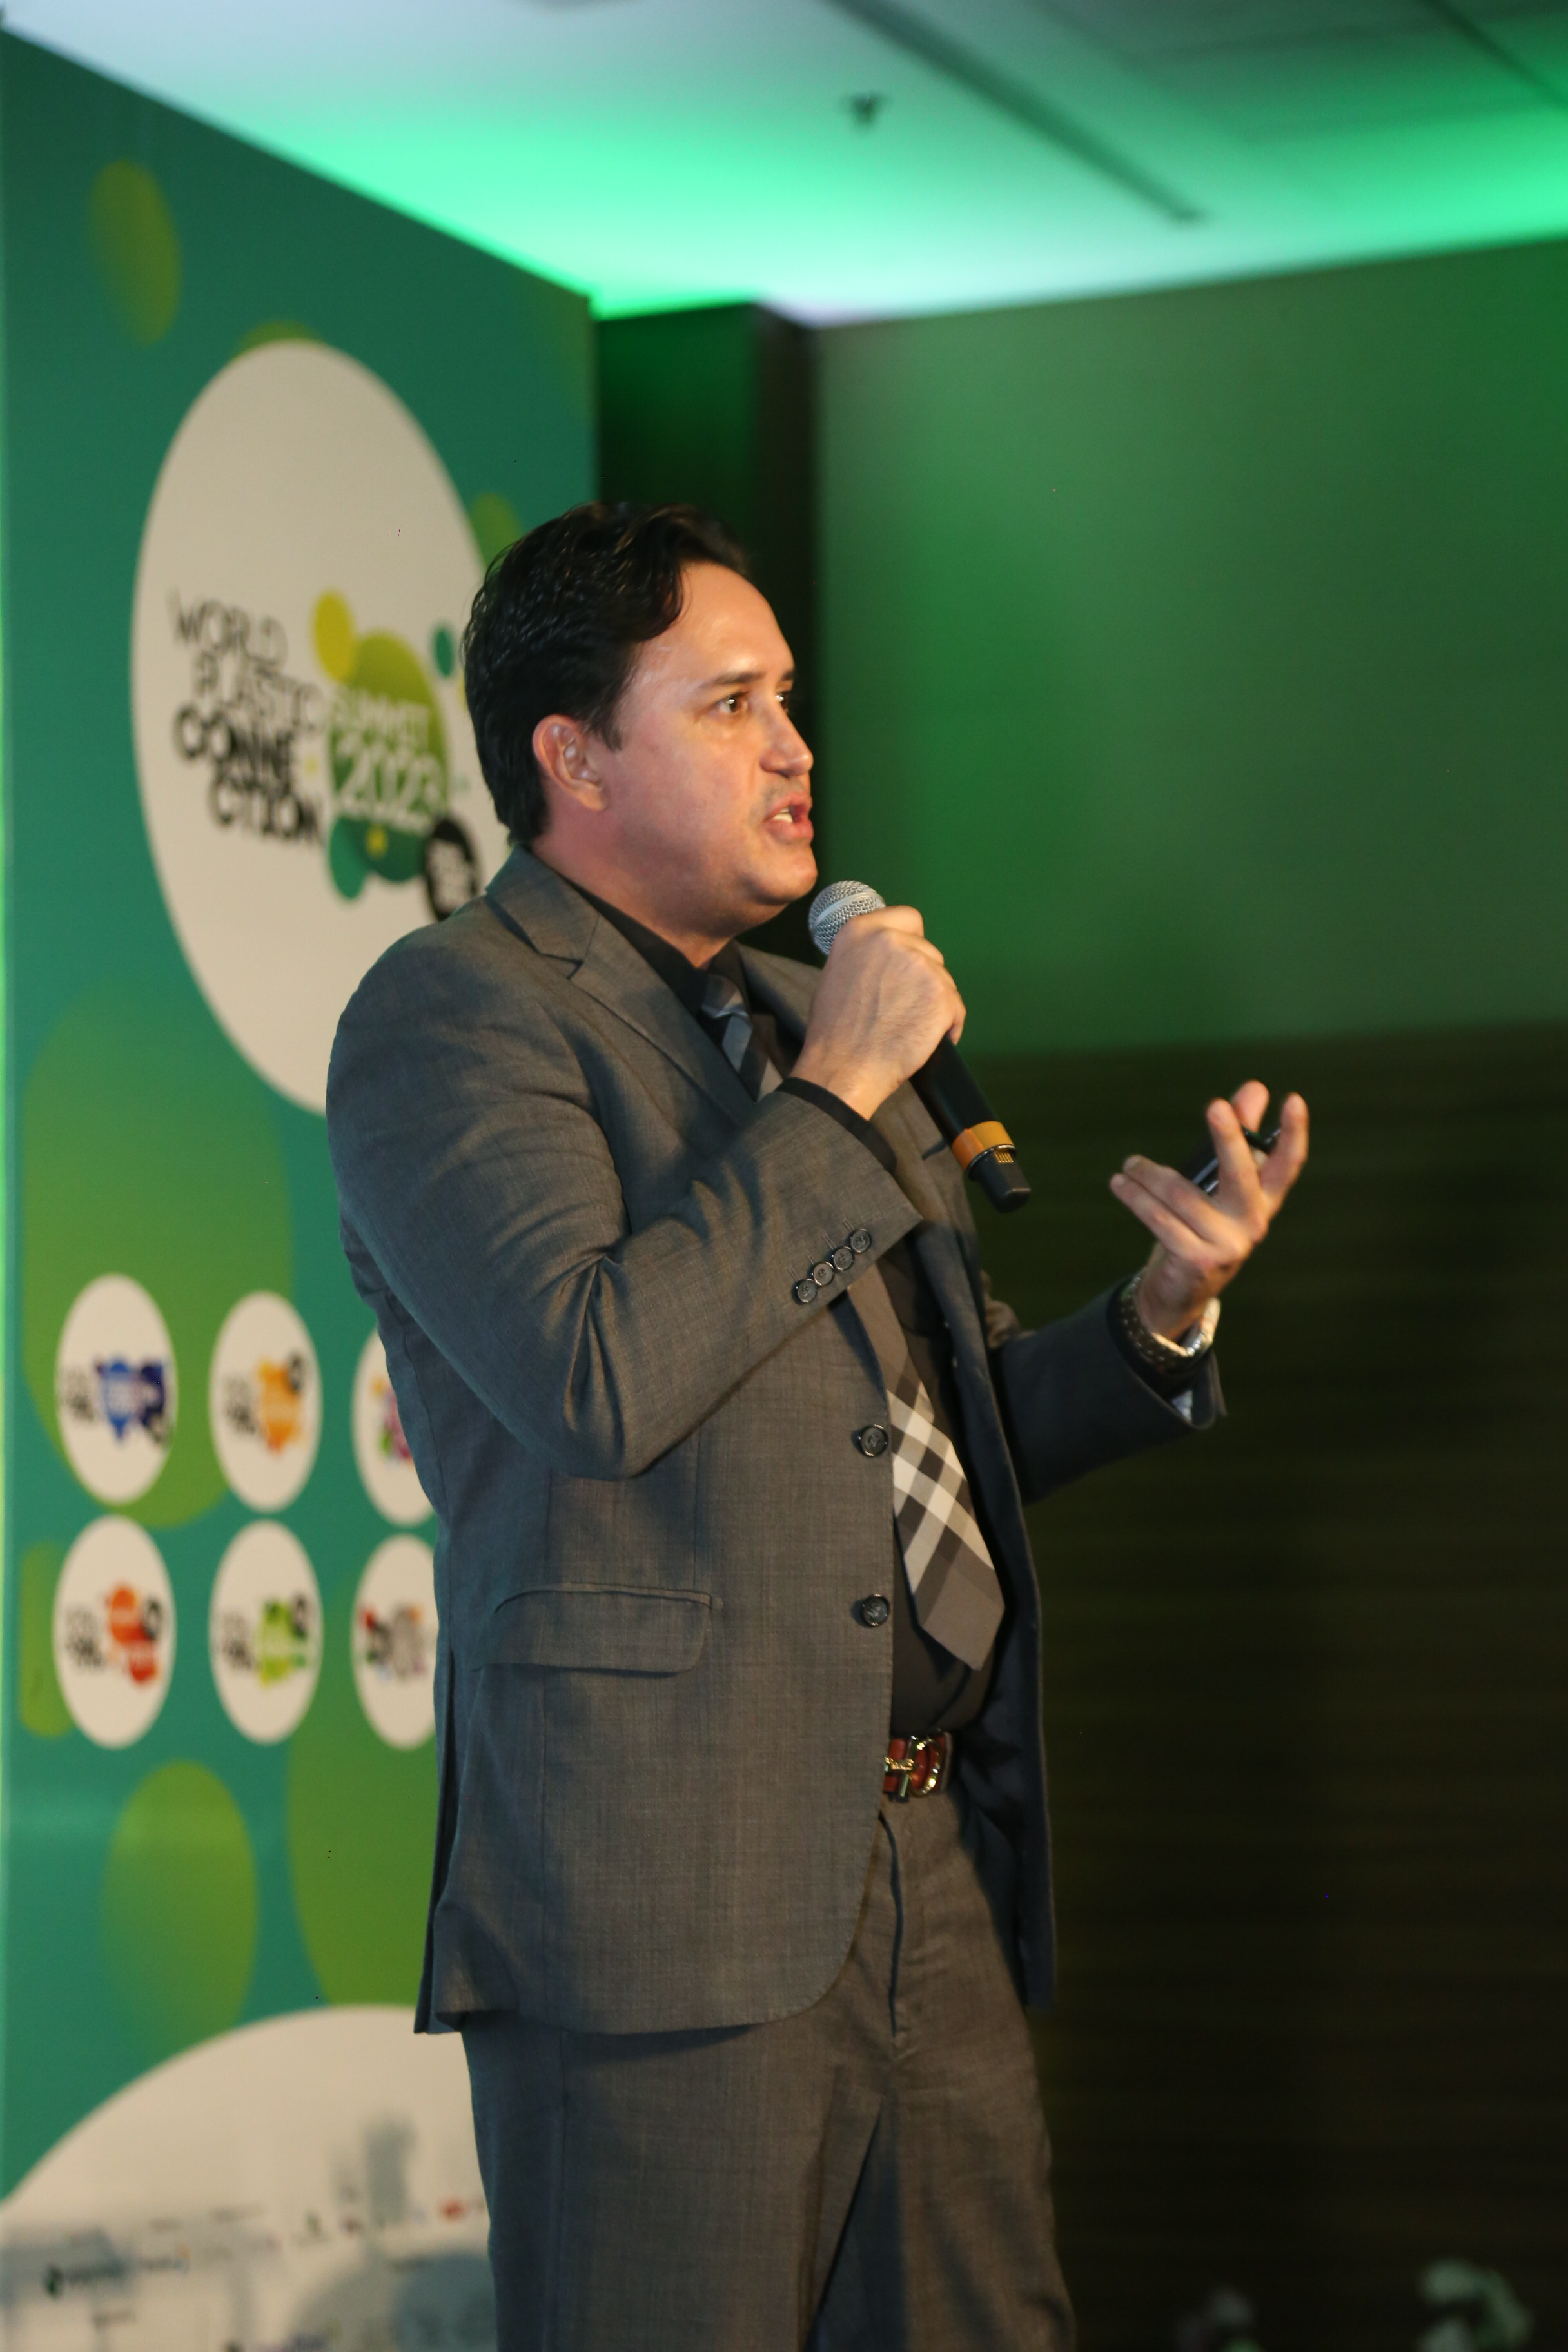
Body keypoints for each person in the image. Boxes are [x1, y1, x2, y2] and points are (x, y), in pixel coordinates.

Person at [326, 502, 1309, 2351]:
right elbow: (594, 1375)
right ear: (572, 758)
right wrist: (846, 1092)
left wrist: (1162, 1315)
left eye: (791, 698)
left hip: (930, 1858)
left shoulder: (800, 1022)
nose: (796, 748)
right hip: (664, 1901)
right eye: (731, 704)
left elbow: (949, 1434)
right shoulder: (455, 1016)